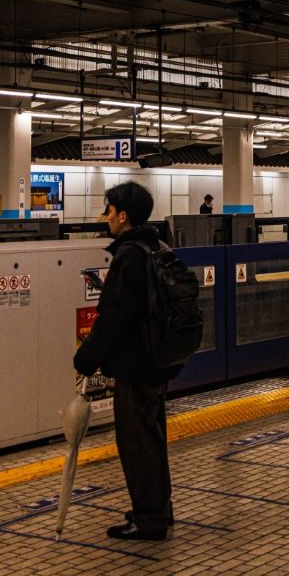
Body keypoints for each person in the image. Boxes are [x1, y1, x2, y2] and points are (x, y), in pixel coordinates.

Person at [73, 181, 177, 541]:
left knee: (137, 443)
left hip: (137, 364)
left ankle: (149, 520)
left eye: (108, 211)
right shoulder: (158, 246)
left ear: (123, 215)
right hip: (158, 360)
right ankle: (161, 511)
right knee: (153, 437)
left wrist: (86, 359)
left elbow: (114, 316)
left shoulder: (129, 255)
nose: (105, 219)